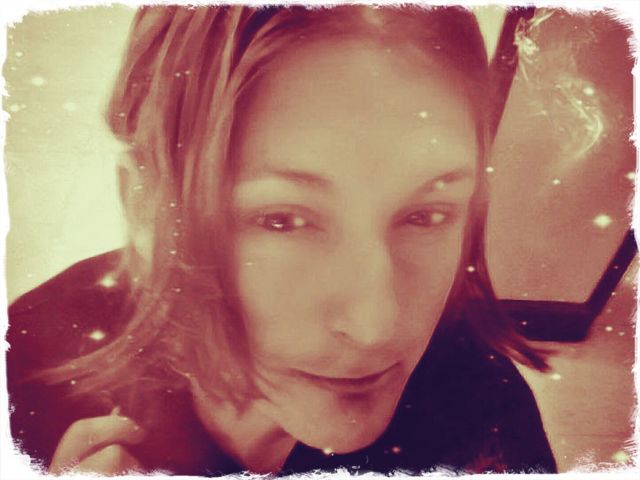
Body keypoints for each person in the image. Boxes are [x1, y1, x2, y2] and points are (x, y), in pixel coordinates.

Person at [7, 5, 557, 476]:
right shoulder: (28, 367)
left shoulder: (484, 412)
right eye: (282, 220)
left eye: (427, 214)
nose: (375, 327)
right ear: (144, 206)